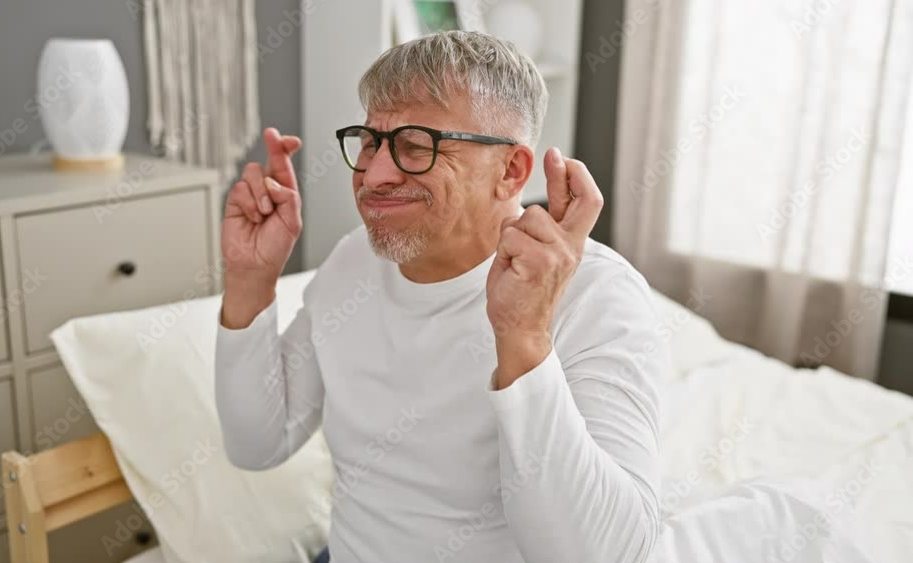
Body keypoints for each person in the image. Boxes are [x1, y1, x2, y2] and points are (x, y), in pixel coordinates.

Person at [215, 31, 665, 562]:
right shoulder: (353, 259)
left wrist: (523, 336)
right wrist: (251, 279)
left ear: (511, 171)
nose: (375, 176)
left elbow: (607, 554)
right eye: (369, 141)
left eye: (415, 146)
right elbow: (257, 445)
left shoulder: (598, 294)